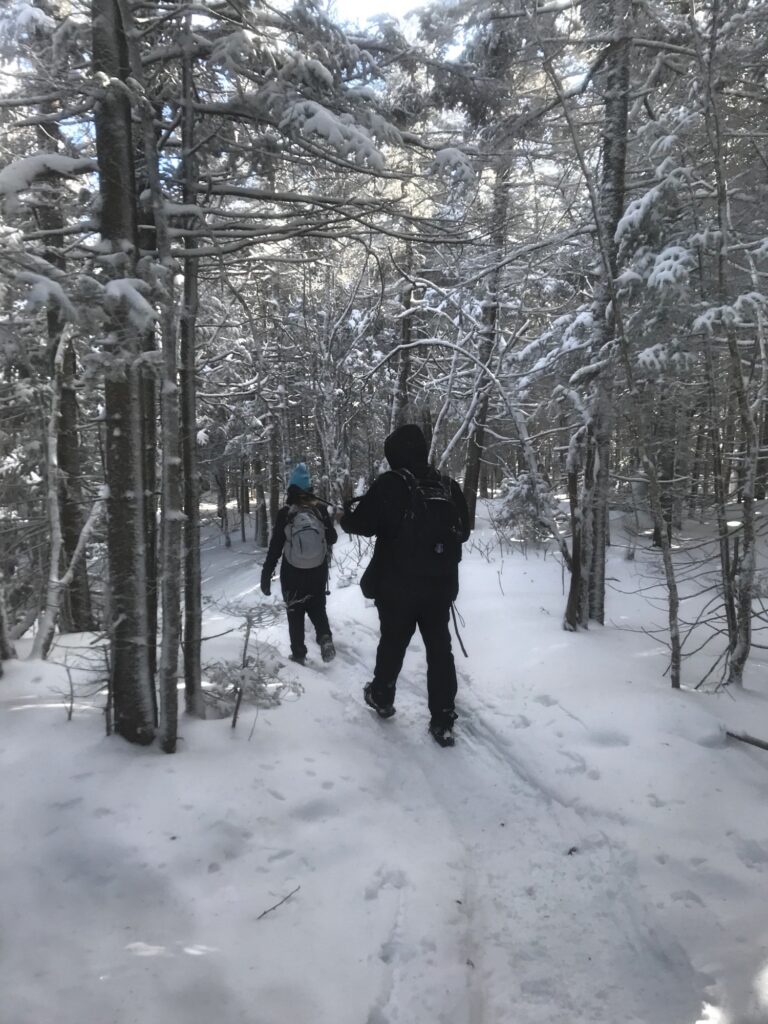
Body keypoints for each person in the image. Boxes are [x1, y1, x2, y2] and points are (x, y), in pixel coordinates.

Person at [340, 424, 470, 746]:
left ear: (395, 453)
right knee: (439, 650)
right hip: (439, 588)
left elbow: (361, 525)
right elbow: (464, 532)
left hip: (397, 588)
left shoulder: (390, 484)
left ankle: (382, 697)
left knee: (393, 643)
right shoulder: (447, 486)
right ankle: (443, 719)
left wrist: (345, 515)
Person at [261, 463, 337, 665]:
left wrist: (267, 572)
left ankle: (299, 655)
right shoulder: (320, 509)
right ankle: (325, 638)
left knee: (295, 613)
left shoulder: (286, 513)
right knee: (318, 607)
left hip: (292, 572)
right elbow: (333, 538)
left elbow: (276, 546)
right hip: (318, 570)